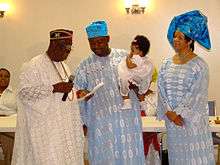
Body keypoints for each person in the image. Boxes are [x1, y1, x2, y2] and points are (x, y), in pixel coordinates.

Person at [74, 20, 145, 165]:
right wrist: (82, 94)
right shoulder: (84, 65)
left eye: (99, 42)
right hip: (100, 122)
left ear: (107, 39)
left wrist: (135, 85)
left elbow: (142, 85)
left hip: (127, 120)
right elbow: (76, 93)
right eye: (92, 43)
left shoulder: (125, 57)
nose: (96, 46)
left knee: (129, 157)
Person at [12, 29, 84, 165]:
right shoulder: (34, 65)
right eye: (67, 49)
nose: (68, 53)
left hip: (64, 127)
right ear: (56, 45)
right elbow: (24, 93)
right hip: (45, 131)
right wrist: (53, 88)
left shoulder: (64, 66)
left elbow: (64, 92)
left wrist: (77, 93)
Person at [157, 10, 215, 164]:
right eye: (174, 36)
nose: (175, 40)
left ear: (190, 41)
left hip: (191, 123)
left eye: (180, 37)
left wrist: (179, 114)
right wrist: (169, 112)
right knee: (178, 158)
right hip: (173, 123)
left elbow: (196, 94)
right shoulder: (166, 64)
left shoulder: (199, 65)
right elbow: (161, 89)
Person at [118, 35, 154, 110]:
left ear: (141, 52)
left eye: (133, 50)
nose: (131, 52)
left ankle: (126, 101)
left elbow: (130, 66)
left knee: (123, 81)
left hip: (136, 77)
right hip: (138, 78)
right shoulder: (144, 59)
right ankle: (142, 103)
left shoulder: (138, 58)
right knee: (140, 93)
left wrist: (128, 58)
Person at [0, 68, 16, 165]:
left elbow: (20, 112)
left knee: (11, 142)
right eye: (0, 75)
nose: (3, 78)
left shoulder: (15, 94)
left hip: (8, 127)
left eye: (6, 76)